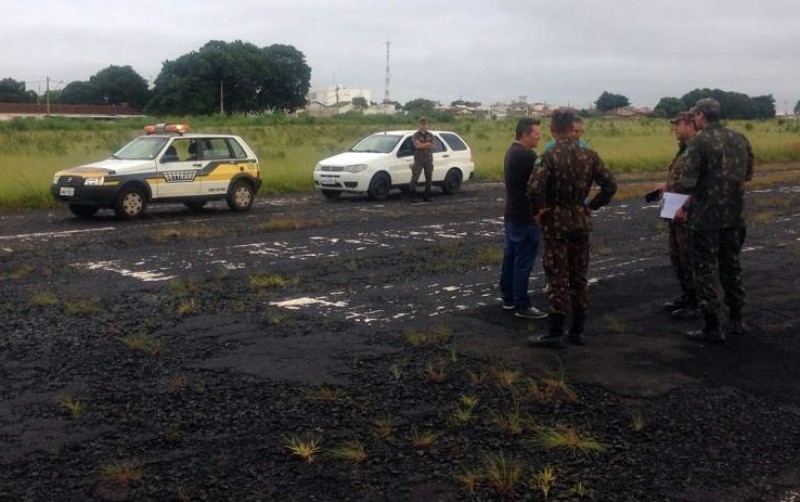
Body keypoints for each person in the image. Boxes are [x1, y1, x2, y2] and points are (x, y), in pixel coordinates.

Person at [527, 109, 617, 348]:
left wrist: (540, 210)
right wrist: (592, 204)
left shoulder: (549, 155)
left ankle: (555, 332)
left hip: (557, 222)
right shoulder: (590, 155)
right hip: (581, 219)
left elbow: (534, 189)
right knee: (579, 276)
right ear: (573, 128)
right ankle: (578, 330)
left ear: (554, 130)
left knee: (557, 275)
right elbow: (610, 184)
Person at [673, 98, 754, 342]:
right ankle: (737, 319)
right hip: (735, 214)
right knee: (731, 266)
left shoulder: (699, 142)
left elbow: (687, 182)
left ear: (699, 115)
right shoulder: (740, 138)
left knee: (705, 269)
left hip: (706, 217)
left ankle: (711, 325)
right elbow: (748, 174)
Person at [500, 118, 548, 320]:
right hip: (527, 216)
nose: (539, 137)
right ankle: (522, 304)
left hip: (512, 213)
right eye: (536, 134)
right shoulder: (528, 155)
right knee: (523, 262)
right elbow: (538, 187)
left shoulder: (511, 152)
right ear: (526, 134)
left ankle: (508, 299)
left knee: (510, 258)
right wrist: (539, 212)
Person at [655, 111, 698, 320]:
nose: (675, 128)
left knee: (690, 258)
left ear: (690, 124)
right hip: (675, 210)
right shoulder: (684, 150)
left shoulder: (697, 150)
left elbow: (698, 184)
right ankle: (687, 295)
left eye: (678, 124)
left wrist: (684, 205)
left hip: (688, 213)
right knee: (677, 257)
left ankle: (696, 302)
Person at [410, 117, 435, 202]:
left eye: (424, 124)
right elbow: (417, 146)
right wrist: (427, 144)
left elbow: (433, 145)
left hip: (428, 159)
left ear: (426, 125)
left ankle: (427, 196)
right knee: (415, 178)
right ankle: (413, 197)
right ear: (419, 124)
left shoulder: (430, 135)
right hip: (419, 159)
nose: (423, 126)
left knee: (429, 178)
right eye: (421, 124)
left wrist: (423, 144)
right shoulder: (415, 135)